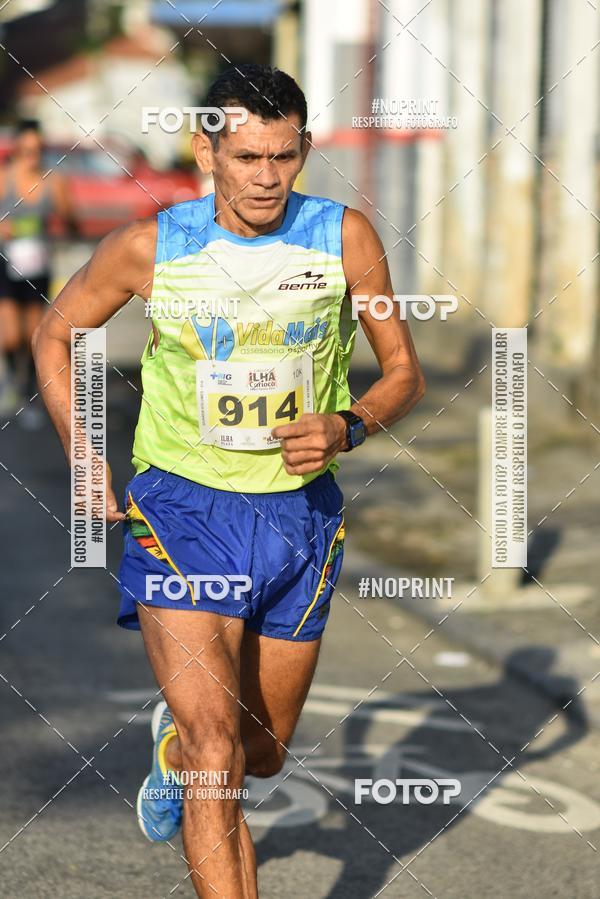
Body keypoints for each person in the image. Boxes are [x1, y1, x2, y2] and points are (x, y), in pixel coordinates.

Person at [32, 65, 425, 897]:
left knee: (259, 753)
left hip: (300, 522)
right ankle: (191, 750)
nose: (267, 177)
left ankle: (171, 750)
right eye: (247, 156)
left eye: (284, 156)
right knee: (219, 751)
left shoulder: (345, 237)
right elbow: (54, 334)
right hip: (181, 513)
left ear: (305, 148)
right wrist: (83, 452)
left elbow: (403, 373)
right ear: (205, 147)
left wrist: (347, 423)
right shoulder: (149, 246)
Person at [0, 119, 77, 426]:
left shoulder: (52, 181)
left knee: (34, 335)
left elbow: (71, 219)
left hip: (38, 266)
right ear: (17, 149)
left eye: (37, 149)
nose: (32, 155)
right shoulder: (4, 178)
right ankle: (12, 380)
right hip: (5, 264)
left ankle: (26, 391)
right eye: (26, 149)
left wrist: (64, 220)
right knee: (9, 336)